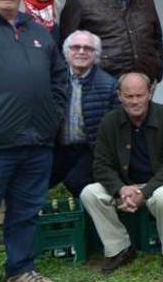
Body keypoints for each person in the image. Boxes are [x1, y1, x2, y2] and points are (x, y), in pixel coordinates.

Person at [0, 0, 67, 282]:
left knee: (25, 212)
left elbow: (59, 78)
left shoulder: (38, 32)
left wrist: (53, 115)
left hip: (37, 143)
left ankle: (20, 270)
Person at [80, 73, 163, 273]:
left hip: (159, 183)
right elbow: (101, 165)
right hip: (126, 186)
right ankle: (120, 248)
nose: (135, 101)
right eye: (129, 96)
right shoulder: (110, 121)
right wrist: (121, 189)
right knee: (90, 193)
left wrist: (143, 194)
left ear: (150, 93)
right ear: (119, 96)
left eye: (139, 95)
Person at [50, 30, 120, 197]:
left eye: (87, 48)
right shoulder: (54, 80)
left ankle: (87, 221)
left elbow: (115, 130)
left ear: (95, 54)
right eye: (75, 47)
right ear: (66, 53)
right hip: (58, 148)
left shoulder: (109, 85)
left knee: (76, 182)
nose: (81, 51)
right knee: (38, 179)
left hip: (91, 150)